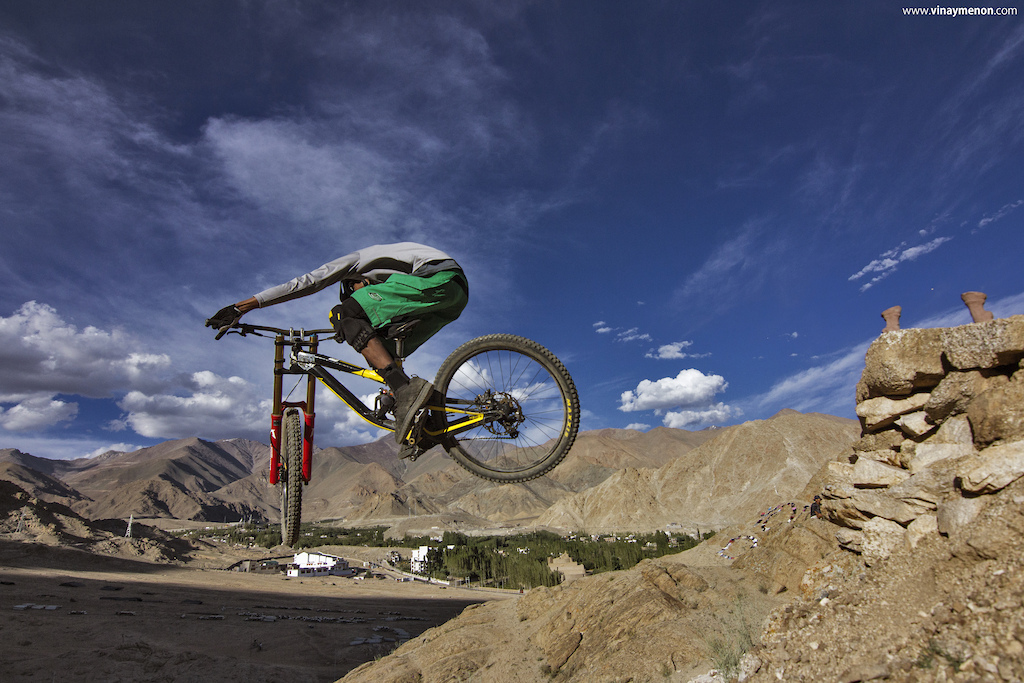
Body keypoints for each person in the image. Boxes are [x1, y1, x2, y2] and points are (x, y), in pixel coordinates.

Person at [206, 242, 469, 446]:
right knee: (384, 345)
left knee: (343, 314)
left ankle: (404, 390)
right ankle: (426, 423)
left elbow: (307, 282)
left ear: (356, 280)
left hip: (437, 276)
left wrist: (243, 307)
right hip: (453, 294)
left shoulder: (356, 261)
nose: (357, 294)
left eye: (353, 290)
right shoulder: (394, 276)